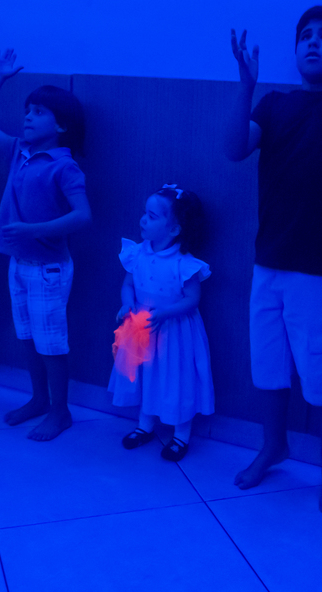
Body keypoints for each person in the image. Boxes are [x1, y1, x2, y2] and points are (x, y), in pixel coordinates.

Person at [223, 0, 322, 513]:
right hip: (269, 261)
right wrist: (246, 87)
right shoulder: (275, 104)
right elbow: (233, 150)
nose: (314, 43)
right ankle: (273, 444)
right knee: (268, 365)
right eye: (305, 37)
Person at [0, 48, 91, 441]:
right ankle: (39, 399)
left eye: (39, 112)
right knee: (26, 336)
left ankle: (61, 411)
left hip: (48, 269)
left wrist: (32, 229)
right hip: (19, 264)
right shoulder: (17, 152)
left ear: (62, 126)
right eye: (28, 110)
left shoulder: (64, 166)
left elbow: (83, 216)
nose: (28, 116)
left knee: (51, 343)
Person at [110, 184, 214, 462]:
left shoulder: (184, 263)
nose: (143, 220)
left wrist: (166, 312)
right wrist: (127, 303)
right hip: (142, 328)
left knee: (176, 379)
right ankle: (145, 425)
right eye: (145, 213)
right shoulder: (137, 254)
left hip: (173, 331)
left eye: (152, 216)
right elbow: (128, 285)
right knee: (146, 374)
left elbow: (192, 299)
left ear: (175, 229)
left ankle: (181, 434)